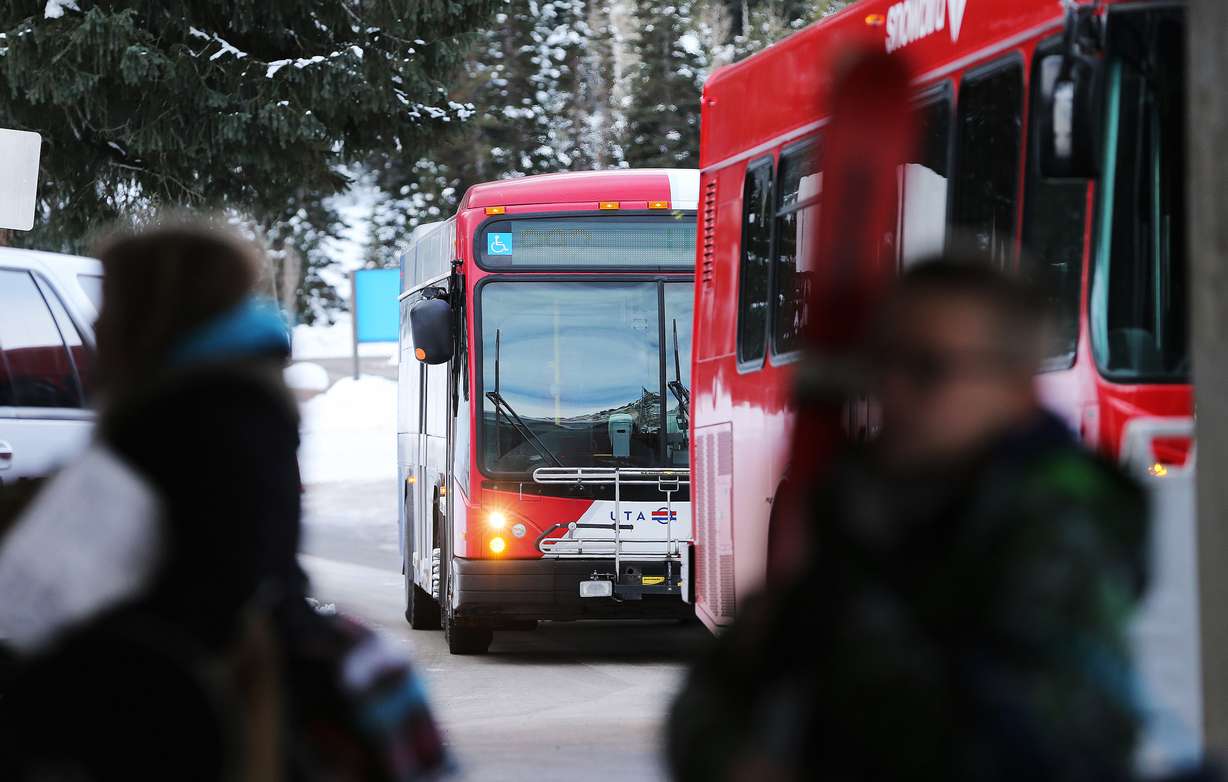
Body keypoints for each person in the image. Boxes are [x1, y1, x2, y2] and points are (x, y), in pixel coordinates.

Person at [668, 259, 1151, 782]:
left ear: (1016, 387)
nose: (891, 393)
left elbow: (1031, 744)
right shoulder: (859, 504)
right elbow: (703, 711)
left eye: (927, 369)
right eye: (881, 363)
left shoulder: (1060, 523)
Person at [0, 222, 450, 781]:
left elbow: (29, 600)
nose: (92, 322)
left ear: (147, 320)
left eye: (109, 304)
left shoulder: (156, 434)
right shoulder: (361, 672)